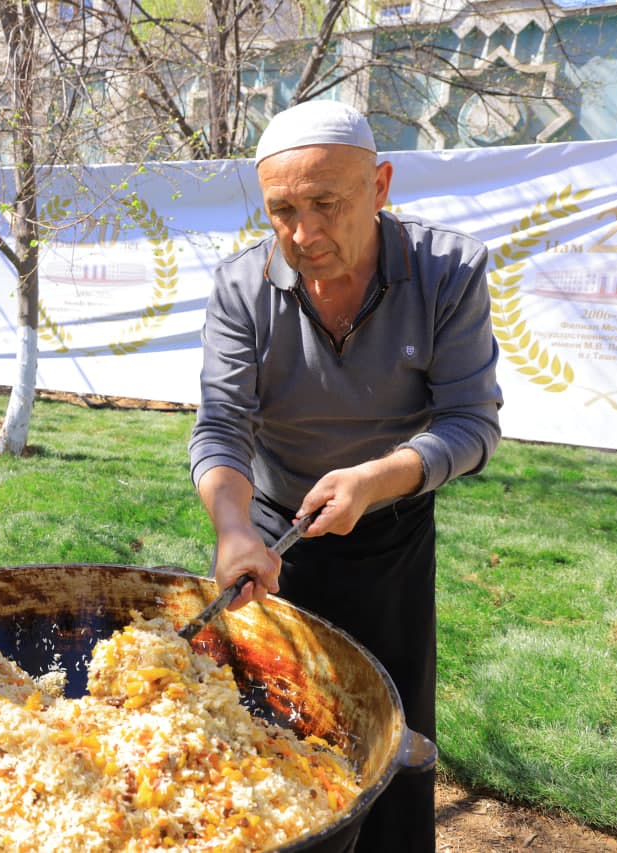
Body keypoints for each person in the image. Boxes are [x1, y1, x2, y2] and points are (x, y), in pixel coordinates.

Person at [189, 99, 502, 852]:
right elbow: (222, 427)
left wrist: (376, 478)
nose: (304, 234)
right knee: (254, 740)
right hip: (269, 535)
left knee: (390, 742)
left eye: (327, 204)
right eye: (283, 211)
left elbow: (472, 422)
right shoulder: (242, 288)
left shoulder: (448, 272)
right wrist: (234, 531)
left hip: (389, 534)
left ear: (381, 184)